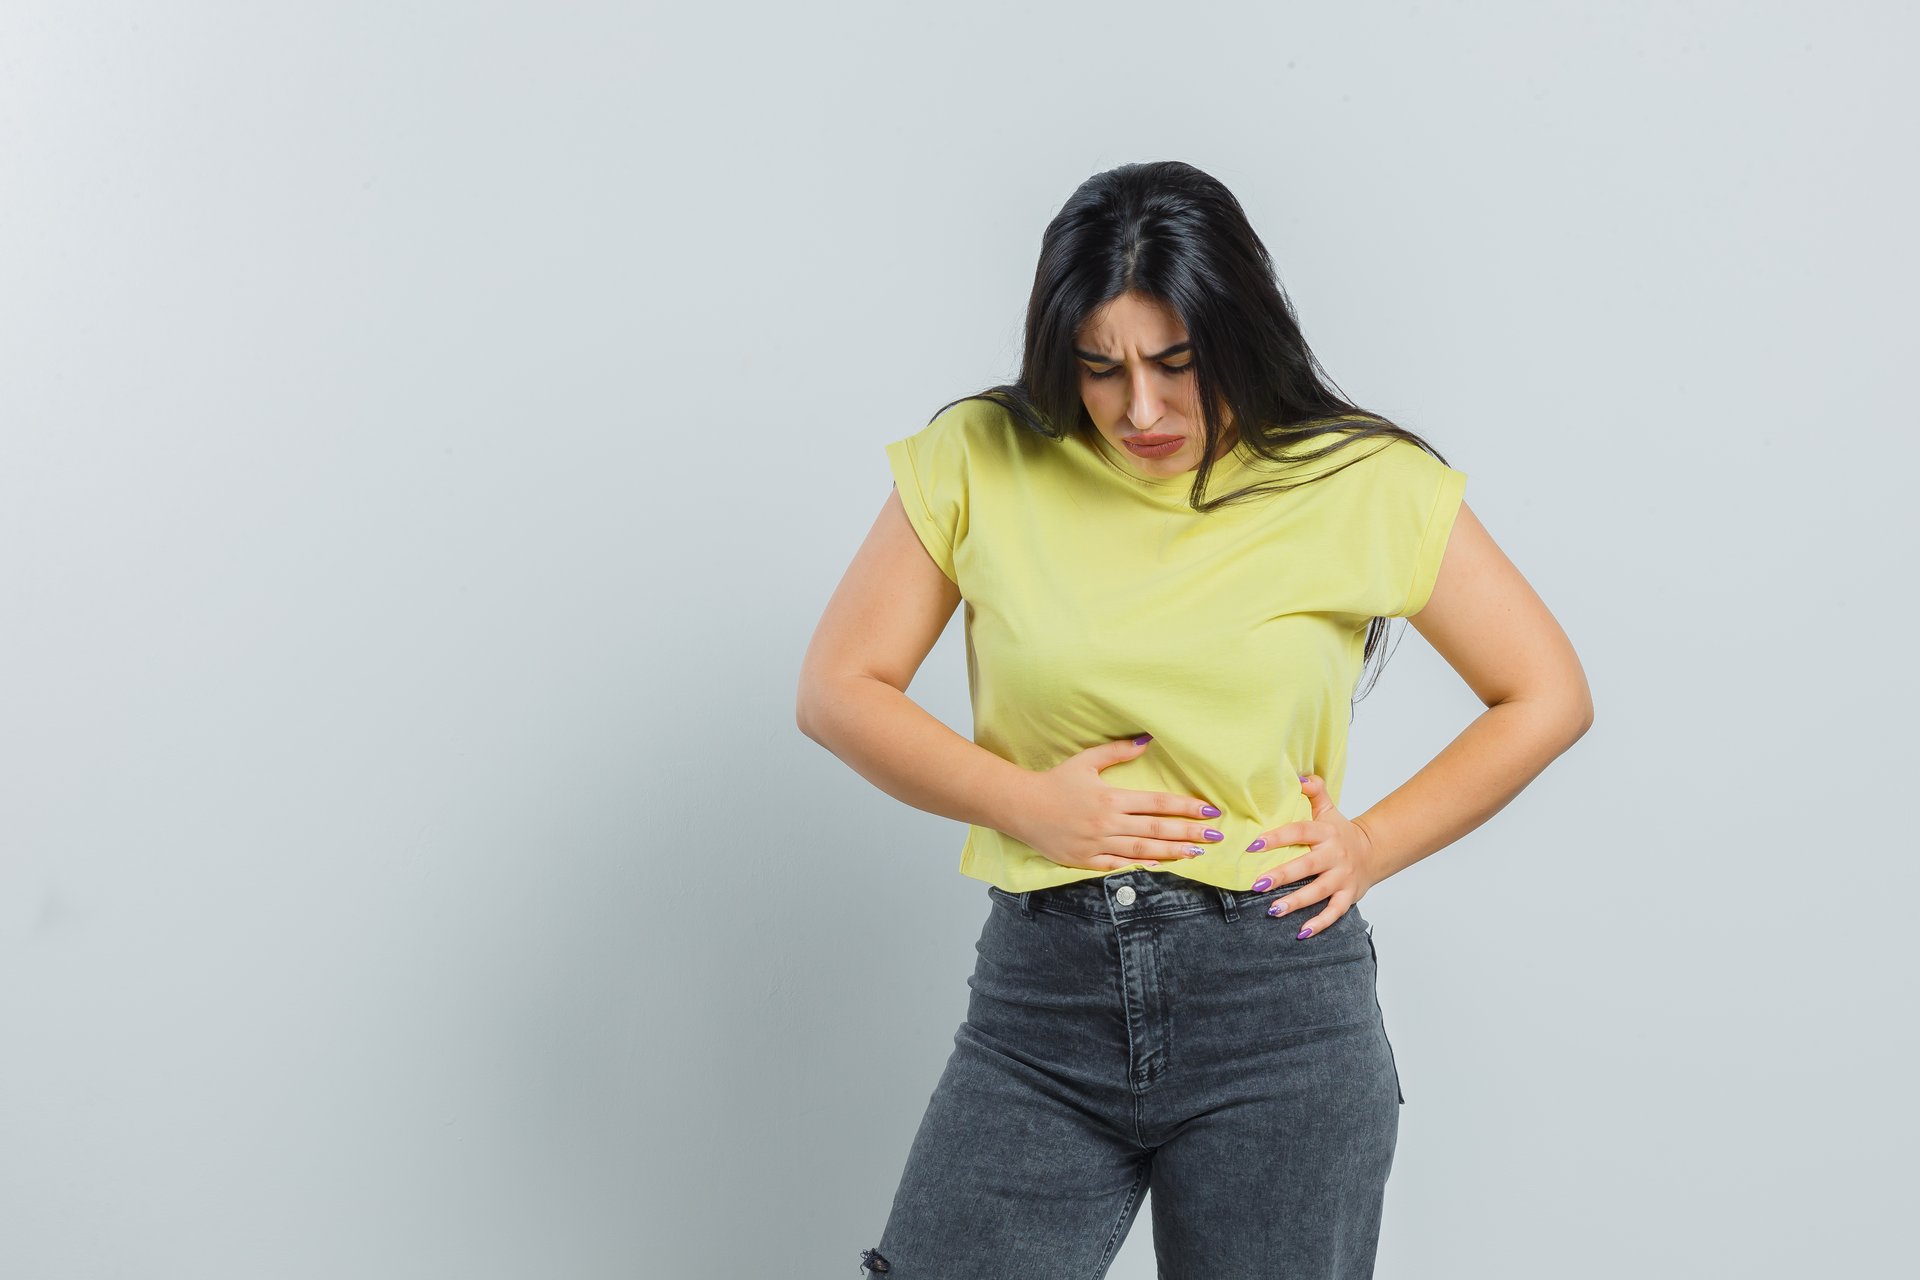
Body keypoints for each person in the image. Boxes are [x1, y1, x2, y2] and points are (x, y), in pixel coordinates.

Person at [796, 160, 1592, 1279]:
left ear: (1238, 331)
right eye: (1100, 369)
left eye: (1177, 363)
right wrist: (1025, 801)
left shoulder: (1359, 479)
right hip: (1041, 1003)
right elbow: (839, 686)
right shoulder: (981, 455)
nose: (1143, 409)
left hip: (1276, 1002)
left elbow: (1547, 692)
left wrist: (1370, 844)